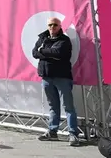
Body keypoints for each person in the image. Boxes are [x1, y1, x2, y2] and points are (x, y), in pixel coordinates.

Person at [33, 17, 80, 145]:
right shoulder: (42, 38)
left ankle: (73, 134)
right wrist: (48, 54)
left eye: (55, 25)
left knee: (68, 106)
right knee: (53, 106)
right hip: (47, 77)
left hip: (62, 77)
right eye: (50, 25)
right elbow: (34, 53)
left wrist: (42, 51)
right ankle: (52, 131)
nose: (52, 27)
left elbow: (58, 53)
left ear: (60, 26)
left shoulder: (64, 40)